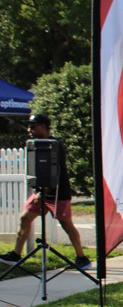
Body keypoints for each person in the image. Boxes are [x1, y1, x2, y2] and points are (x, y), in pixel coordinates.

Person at [1, 113, 91, 269]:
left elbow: (53, 171)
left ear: (43, 127)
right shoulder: (37, 143)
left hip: (58, 193)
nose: (29, 130)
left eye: (32, 127)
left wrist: (43, 192)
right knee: (25, 218)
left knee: (67, 225)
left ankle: (82, 258)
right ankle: (16, 255)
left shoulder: (53, 145)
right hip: (40, 192)